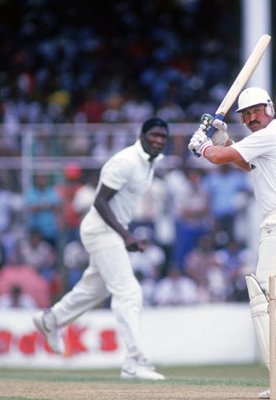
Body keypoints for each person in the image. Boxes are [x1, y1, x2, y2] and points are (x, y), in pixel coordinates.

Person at [188, 87, 276, 398]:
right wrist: (225, 142)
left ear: (270, 109)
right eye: (245, 115)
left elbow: (220, 158)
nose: (251, 118)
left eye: (256, 111)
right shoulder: (273, 140)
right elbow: (247, 164)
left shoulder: (271, 134)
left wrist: (204, 147)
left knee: (267, 300)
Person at [33, 117, 169, 381]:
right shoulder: (125, 161)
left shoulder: (149, 163)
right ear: (141, 135)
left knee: (93, 289)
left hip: (112, 231)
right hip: (100, 229)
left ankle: (51, 320)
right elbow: (100, 203)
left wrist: (126, 235)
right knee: (128, 292)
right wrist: (126, 235)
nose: (158, 140)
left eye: (163, 137)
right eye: (154, 135)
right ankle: (133, 361)